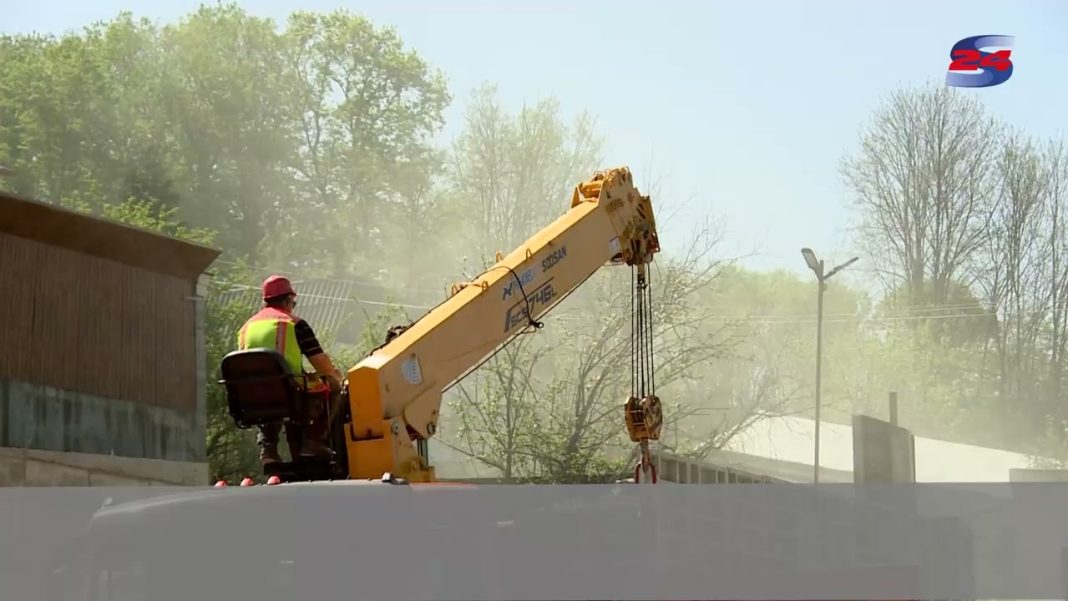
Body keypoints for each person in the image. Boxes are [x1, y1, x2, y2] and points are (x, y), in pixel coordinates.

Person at [236, 275, 344, 465]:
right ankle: (314, 441)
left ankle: (268, 450)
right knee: (334, 385)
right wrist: (334, 375)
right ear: (288, 300)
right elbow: (323, 366)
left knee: (267, 390)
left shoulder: (246, 328)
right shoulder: (294, 324)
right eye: (293, 303)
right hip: (289, 393)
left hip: (252, 399)